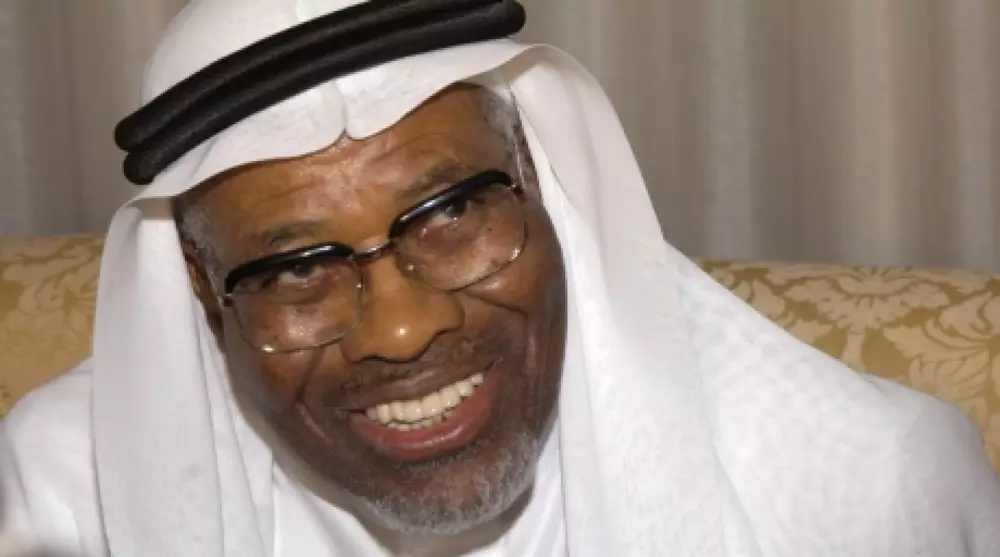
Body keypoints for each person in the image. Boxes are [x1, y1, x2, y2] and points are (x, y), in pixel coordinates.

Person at [2, 0, 999, 556]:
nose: (401, 329)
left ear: (543, 179)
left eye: (452, 215)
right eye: (297, 267)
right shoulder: (63, 500)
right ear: (197, 284)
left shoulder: (863, 491)